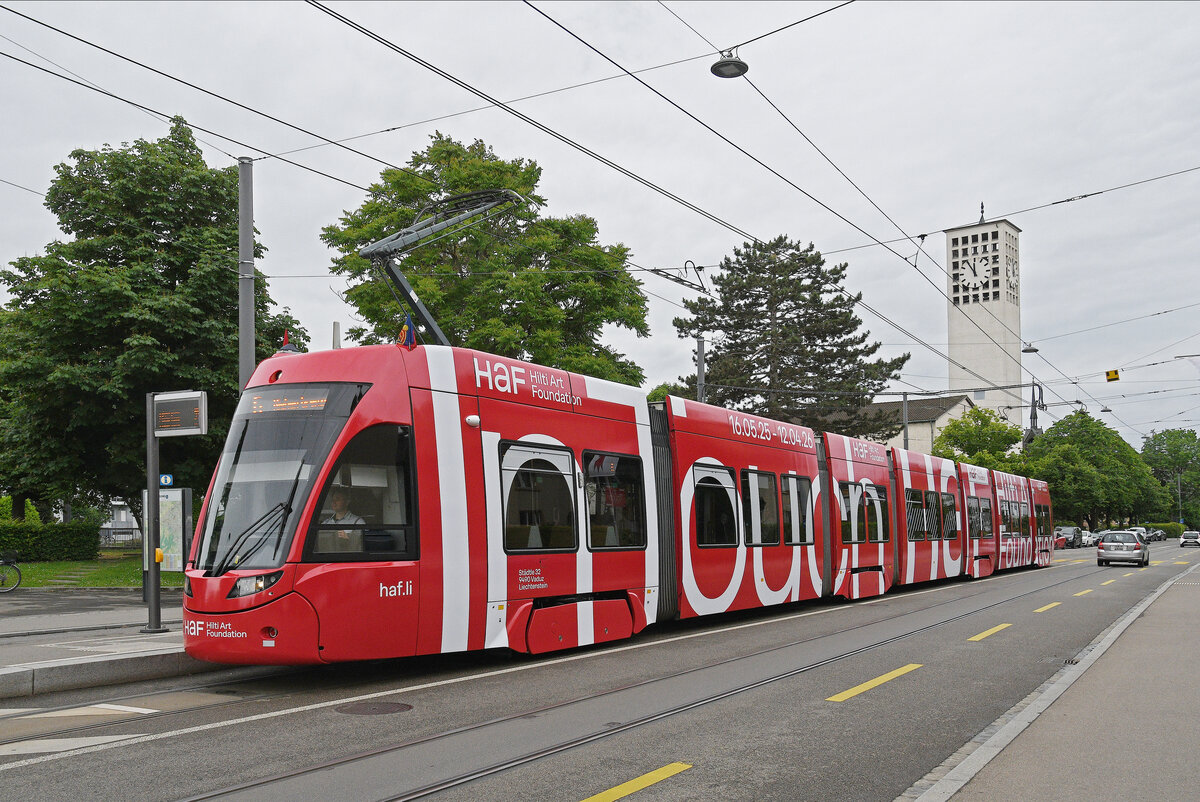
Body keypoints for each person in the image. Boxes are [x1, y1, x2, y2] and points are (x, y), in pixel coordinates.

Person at [322, 487, 364, 551]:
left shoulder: (358, 522)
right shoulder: (326, 523)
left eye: (337, 499)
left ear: (347, 502)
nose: (334, 502)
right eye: (333, 499)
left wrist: (348, 538)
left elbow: (362, 546)